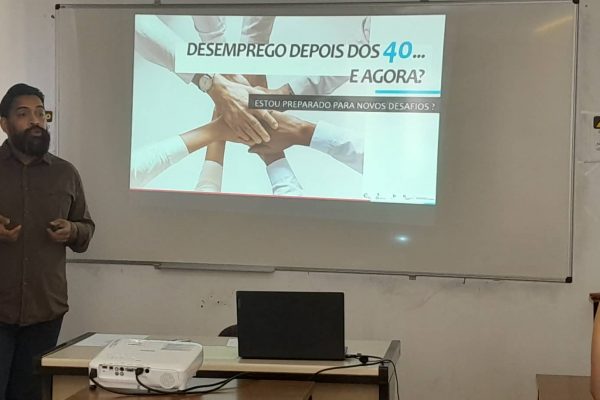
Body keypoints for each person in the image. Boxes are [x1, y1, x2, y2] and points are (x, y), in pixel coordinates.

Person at [0, 83, 95, 400]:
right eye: (23, 114)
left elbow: (86, 228)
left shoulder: (65, 173)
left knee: (30, 395)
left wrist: (73, 230)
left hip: (44, 311)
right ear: (4, 123)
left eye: (41, 113)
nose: (35, 121)